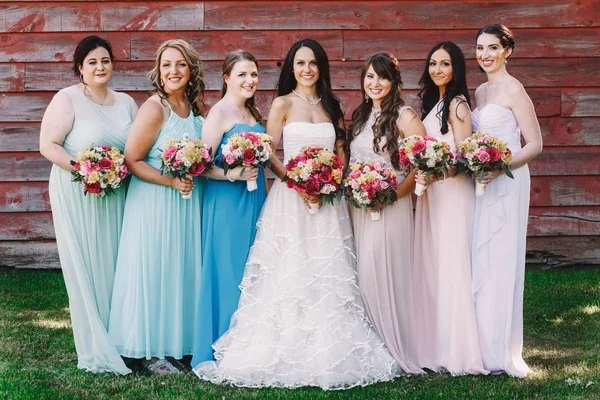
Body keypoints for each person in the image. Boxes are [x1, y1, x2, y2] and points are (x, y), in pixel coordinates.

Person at [193, 39, 400, 389]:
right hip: (291, 199)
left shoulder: (331, 105)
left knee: (327, 271)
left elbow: (339, 150)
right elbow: (267, 150)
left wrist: (329, 179)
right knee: (288, 270)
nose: (307, 69)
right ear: (292, 68)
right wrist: (296, 179)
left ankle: (329, 349)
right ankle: (279, 344)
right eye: (300, 63)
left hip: (328, 200)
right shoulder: (282, 104)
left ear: (321, 68)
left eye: (313, 63)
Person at [39, 36, 137, 374]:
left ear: (113, 65)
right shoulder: (67, 99)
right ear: (80, 68)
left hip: (118, 194)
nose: (100, 67)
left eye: (106, 61)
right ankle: (97, 345)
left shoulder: (126, 103)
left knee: (117, 262)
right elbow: (48, 145)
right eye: (92, 61)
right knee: (88, 264)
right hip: (77, 192)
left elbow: (136, 149)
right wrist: (86, 171)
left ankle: (125, 337)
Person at [108, 39, 205, 374]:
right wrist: (170, 181)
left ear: (191, 70)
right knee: (153, 269)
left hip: (183, 206)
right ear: (158, 71)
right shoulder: (155, 107)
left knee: (177, 271)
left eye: (180, 64)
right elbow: (133, 159)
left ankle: (176, 344)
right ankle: (144, 349)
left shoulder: (192, 110)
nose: (173, 71)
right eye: (166, 65)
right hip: (154, 203)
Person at [345, 52, 425, 374]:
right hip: (360, 208)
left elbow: (422, 167)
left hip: (391, 206)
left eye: (382, 77)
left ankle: (396, 346)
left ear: (393, 82)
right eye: (369, 77)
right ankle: (371, 345)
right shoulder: (362, 116)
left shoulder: (405, 117)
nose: (374, 83)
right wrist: (357, 190)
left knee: (384, 272)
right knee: (363, 274)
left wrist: (390, 195)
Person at [471, 24, 542, 377]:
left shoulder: (515, 89)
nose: (485, 54)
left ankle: (502, 350)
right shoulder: (480, 91)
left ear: (507, 51)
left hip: (509, 179)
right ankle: (482, 346)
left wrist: (501, 166)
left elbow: (534, 144)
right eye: (480, 48)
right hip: (483, 181)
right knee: (482, 255)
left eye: (492, 48)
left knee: (502, 256)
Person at [412, 42, 487, 375]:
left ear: (456, 68)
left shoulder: (457, 105)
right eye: (433, 63)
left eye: (445, 64)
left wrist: (436, 170)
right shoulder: (435, 103)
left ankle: (461, 351)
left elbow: (465, 158)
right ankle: (437, 344)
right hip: (434, 196)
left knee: (453, 267)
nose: (438, 69)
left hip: (453, 195)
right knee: (435, 267)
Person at [191, 50, 267, 367]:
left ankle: (252, 341)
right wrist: (232, 173)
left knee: (255, 267)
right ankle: (222, 343)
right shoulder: (219, 114)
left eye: (253, 75)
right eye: (242, 75)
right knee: (230, 269)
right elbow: (200, 166)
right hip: (226, 203)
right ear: (227, 78)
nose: (249, 81)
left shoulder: (253, 112)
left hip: (254, 198)